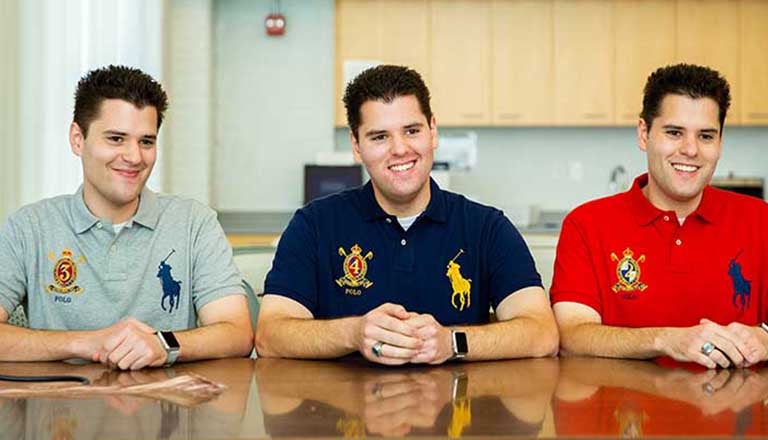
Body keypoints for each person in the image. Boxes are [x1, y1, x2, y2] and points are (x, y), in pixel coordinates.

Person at [255, 64, 557, 365]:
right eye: (379, 137)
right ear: (356, 146)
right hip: (339, 410)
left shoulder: (487, 228)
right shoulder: (314, 225)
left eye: (411, 131)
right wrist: (353, 332)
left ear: (433, 131)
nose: (400, 149)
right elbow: (270, 335)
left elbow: (542, 333)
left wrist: (451, 342)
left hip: (458, 409)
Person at [0, 65, 253, 370]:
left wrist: (164, 344)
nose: (134, 157)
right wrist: (86, 342)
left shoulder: (194, 222)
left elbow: (237, 333)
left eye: (146, 141)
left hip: (167, 409)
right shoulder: (28, 227)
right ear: (77, 139)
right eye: (116, 139)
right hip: (60, 410)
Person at [550, 63, 768, 369]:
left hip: (737, 414)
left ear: (719, 143)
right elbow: (571, 336)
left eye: (706, 136)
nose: (690, 150)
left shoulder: (760, 220)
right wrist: (666, 340)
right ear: (644, 134)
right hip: (622, 413)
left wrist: (765, 338)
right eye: (674, 132)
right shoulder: (586, 224)